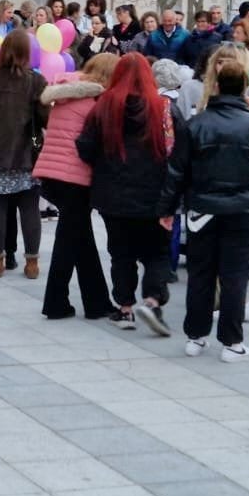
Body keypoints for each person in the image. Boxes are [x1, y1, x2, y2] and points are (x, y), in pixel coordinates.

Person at [160, 54, 249, 362]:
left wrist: (166, 208)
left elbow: (177, 169)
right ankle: (232, 342)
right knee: (234, 274)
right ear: (244, 87)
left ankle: (196, 336)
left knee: (201, 272)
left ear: (214, 85)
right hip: (244, 208)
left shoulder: (196, 124)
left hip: (203, 207)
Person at [77, 54, 179, 335]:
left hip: (114, 195)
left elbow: (85, 147)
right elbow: (180, 152)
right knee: (157, 253)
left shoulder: (103, 107)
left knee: (121, 253)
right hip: (155, 196)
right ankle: (153, 300)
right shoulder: (163, 108)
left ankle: (124, 309)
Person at [33, 52, 118, 321]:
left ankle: (97, 302)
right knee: (68, 241)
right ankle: (55, 303)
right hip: (75, 178)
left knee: (81, 239)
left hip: (53, 175)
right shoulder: (95, 102)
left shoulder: (66, 94)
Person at [0, 29, 47, 278]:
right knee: (29, 208)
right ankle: (32, 263)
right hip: (26, 155)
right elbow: (44, 119)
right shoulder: (35, 81)